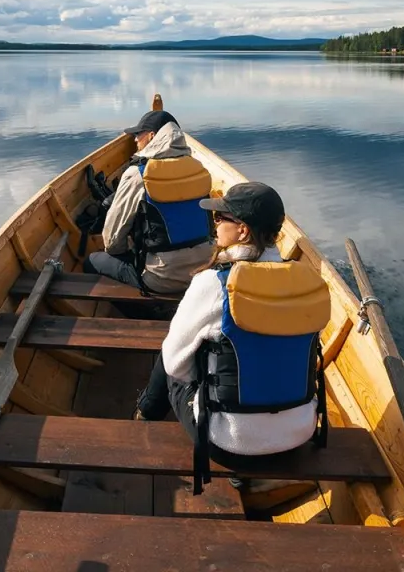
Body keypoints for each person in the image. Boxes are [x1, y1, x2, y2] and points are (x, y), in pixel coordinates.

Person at [132, 182, 330, 494]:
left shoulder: (216, 283)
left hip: (227, 444)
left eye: (221, 218)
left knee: (169, 356)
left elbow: (175, 365)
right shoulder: (306, 282)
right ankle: (248, 471)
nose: (215, 224)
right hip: (299, 435)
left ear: (243, 231)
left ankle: (144, 417)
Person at [82, 109, 214, 316]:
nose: (135, 140)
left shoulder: (139, 174)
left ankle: (147, 315)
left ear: (152, 136)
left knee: (92, 262)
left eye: (138, 134)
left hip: (162, 278)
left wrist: (129, 255)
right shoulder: (198, 168)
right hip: (204, 269)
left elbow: (112, 239)